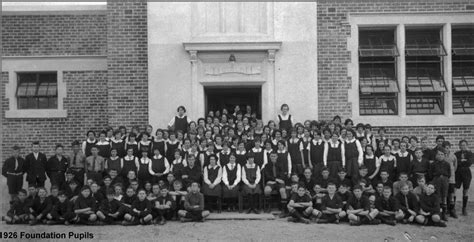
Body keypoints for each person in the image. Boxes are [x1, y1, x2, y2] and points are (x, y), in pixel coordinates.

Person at [429, 148, 451, 221]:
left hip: (444, 180)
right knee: (437, 197)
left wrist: (444, 178)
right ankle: (438, 212)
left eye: (442, 154)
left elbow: (449, 174)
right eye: (439, 154)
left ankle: (444, 213)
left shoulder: (447, 164)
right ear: (436, 155)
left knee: (444, 196)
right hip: (436, 180)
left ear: (444, 155)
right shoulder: (433, 164)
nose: (440, 156)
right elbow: (430, 174)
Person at [454, 139, 473, 216]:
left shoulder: (470, 154)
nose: (463, 146)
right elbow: (456, 162)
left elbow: (469, 162)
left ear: (467, 146)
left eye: (464, 145)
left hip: (466, 173)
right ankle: (452, 207)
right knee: (454, 190)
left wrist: (462, 161)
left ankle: (464, 208)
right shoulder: (456, 153)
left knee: (465, 190)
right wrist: (462, 160)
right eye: (461, 145)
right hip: (457, 173)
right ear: (459, 146)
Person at [442, 141, 458, 218]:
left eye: (447, 148)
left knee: (451, 194)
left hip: (451, 178)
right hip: (444, 178)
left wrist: (452, 174)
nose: (446, 149)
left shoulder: (453, 156)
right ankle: (445, 211)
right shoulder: (441, 156)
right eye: (444, 148)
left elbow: (455, 166)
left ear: (449, 148)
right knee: (445, 194)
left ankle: (452, 210)